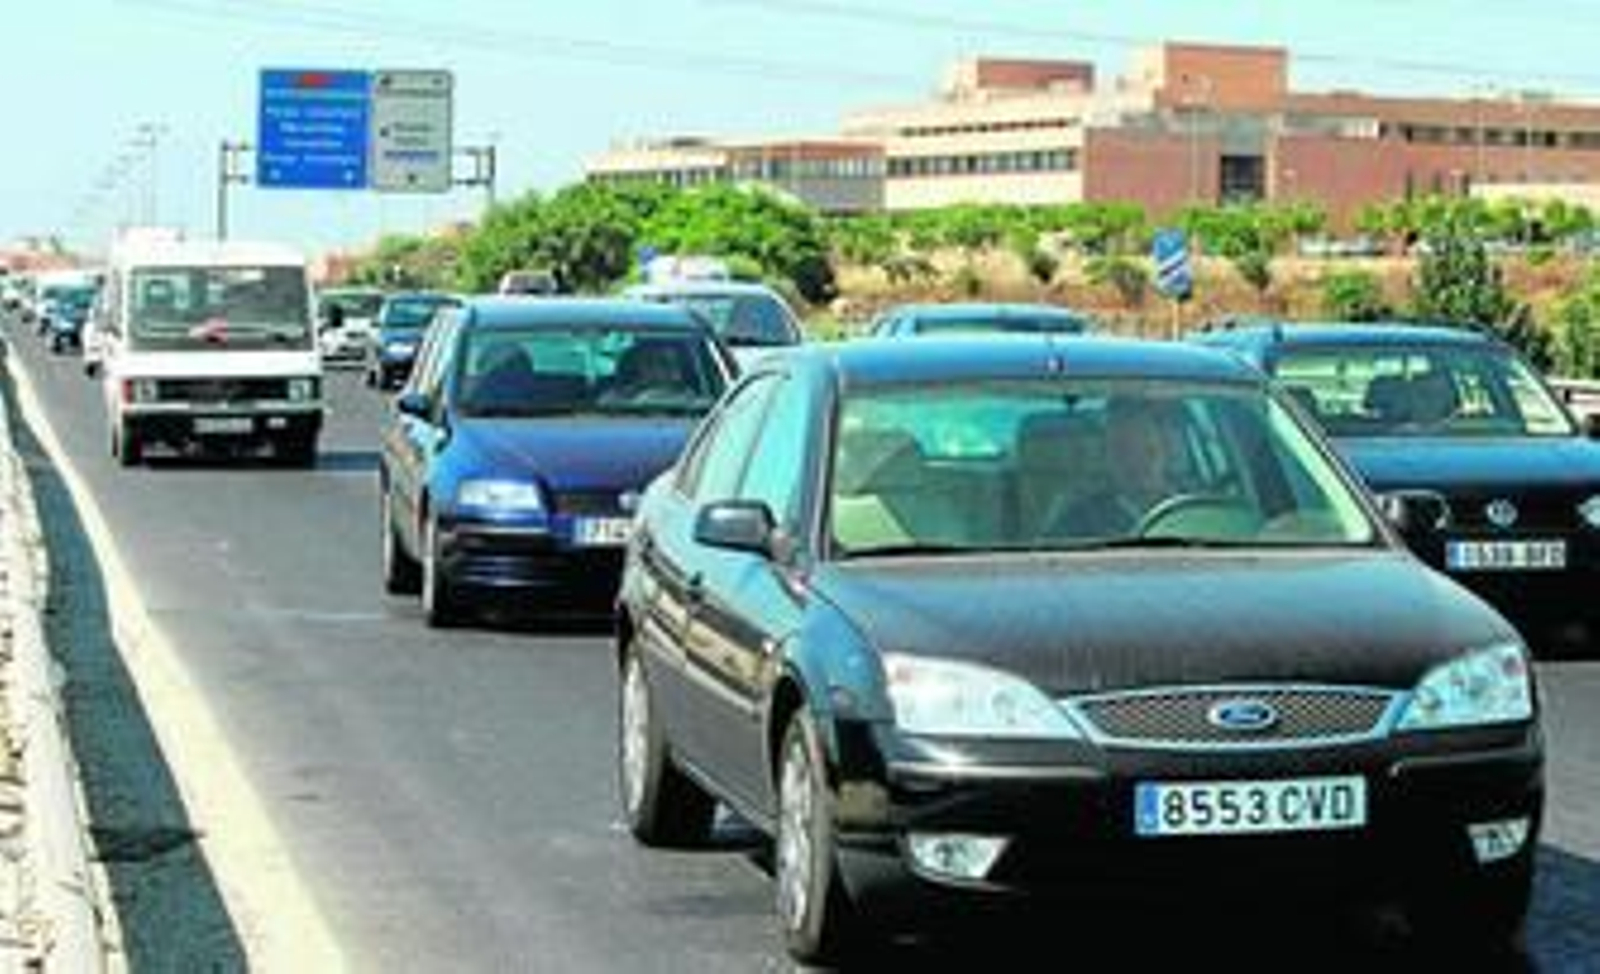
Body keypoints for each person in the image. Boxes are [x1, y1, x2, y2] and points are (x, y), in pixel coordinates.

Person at [1050, 396, 1186, 538]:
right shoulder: (1080, 517)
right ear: (1107, 457)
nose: (1137, 461)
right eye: (1124, 450)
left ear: (1164, 449)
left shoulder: (1192, 505)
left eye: (1148, 449)